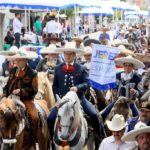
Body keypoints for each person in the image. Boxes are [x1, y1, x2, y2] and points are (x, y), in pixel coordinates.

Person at [47, 42, 105, 149]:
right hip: (62, 102)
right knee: (50, 118)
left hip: (79, 99)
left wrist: (78, 87)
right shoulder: (58, 68)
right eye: (66, 54)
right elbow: (54, 86)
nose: (67, 56)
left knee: (93, 114)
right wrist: (57, 99)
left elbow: (87, 83)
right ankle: (51, 140)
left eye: (70, 54)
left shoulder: (81, 68)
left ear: (74, 55)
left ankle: (99, 138)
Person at [1, 48, 38, 149]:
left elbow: (34, 89)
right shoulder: (12, 70)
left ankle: (32, 142)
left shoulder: (32, 73)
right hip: (10, 99)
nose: (17, 61)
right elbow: (7, 86)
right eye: (16, 59)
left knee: (34, 117)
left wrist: (21, 91)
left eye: (20, 59)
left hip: (26, 100)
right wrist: (4, 96)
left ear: (25, 60)